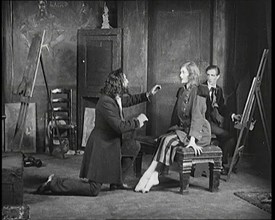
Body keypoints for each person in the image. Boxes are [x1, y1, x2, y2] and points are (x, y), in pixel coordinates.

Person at [36, 68, 161, 196]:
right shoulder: (106, 102)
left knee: (133, 146)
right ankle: (54, 182)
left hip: (111, 143)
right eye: (125, 79)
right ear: (118, 83)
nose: (128, 81)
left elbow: (129, 100)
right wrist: (137, 121)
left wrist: (148, 94)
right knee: (93, 189)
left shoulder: (114, 98)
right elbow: (119, 126)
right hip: (101, 147)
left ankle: (117, 182)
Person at [134, 61, 210, 193]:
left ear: (191, 75)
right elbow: (177, 116)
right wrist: (172, 131)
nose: (180, 75)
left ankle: (151, 174)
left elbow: (197, 117)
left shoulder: (199, 91)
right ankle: (153, 175)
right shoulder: (182, 91)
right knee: (165, 139)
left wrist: (192, 140)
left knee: (168, 141)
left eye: (183, 72)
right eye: (180, 72)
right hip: (183, 131)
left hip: (199, 133)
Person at [203, 65, 241, 175]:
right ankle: (219, 165)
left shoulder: (218, 90)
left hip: (212, 123)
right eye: (208, 75)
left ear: (218, 76)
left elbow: (222, 107)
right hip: (203, 122)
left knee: (230, 139)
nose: (210, 78)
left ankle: (219, 164)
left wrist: (233, 115)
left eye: (213, 75)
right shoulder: (201, 88)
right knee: (227, 136)